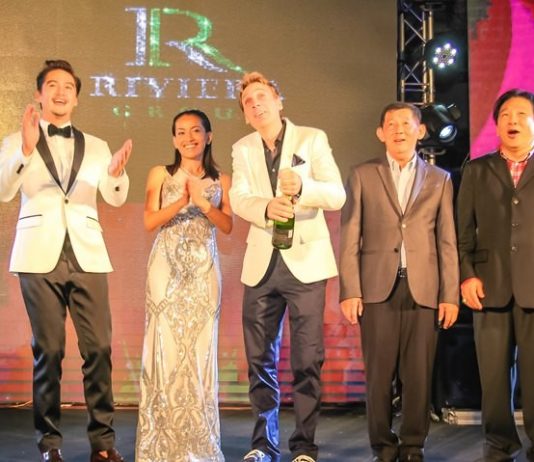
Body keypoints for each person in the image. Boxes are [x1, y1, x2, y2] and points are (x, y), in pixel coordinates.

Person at [0, 60, 132, 462]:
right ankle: (50, 444)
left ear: (76, 98)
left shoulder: (97, 145)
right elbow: (5, 190)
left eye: (68, 87)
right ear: (39, 94)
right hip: (38, 256)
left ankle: (103, 443)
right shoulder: (16, 140)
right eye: (52, 86)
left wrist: (115, 174)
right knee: (50, 350)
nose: (60, 93)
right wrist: (25, 150)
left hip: (87, 253)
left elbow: (115, 197)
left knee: (99, 349)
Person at [229, 71, 346, 462]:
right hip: (262, 266)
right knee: (259, 359)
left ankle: (304, 446)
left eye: (262, 97)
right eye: (248, 102)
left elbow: (337, 194)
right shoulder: (242, 148)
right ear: (245, 114)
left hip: (306, 265)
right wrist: (265, 207)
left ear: (279, 101)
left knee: (307, 359)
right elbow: (239, 198)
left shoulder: (312, 139)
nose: (256, 104)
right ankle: (263, 444)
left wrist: (304, 189)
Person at [339, 102, 459, 462]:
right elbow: (350, 236)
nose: (399, 130)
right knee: (379, 375)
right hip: (377, 289)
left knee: (418, 374)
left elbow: (447, 240)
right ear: (381, 133)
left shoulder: (440, 179)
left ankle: (412, 445)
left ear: (420, 131)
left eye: (406, 123)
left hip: (424, 289)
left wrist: (450, 295)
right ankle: (383, 446)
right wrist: (350, 290)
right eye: (391, 124)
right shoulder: (363, 174)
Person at [135, 109, 232, 462]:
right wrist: (182, 201)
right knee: (165, 351)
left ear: (208, 136)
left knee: (200, 353)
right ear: (174, 139)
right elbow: (150, 221)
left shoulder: (222, 179)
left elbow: (227, 225)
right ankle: (161, 447)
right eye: (180, 132)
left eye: (195, 131)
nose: (188, 137)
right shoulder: (160, 174)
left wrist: (203, 203)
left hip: (205, 270)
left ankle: (200, 447)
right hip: (166, 269)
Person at [457, 88, 534, 462]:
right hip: (488, 287)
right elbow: (462, 234)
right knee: (493, 377)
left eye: (521, 114)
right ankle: (499, 444)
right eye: (505, 115)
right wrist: (467, 275)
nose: (512, 121)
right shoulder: (477, 170)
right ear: (497, 124)